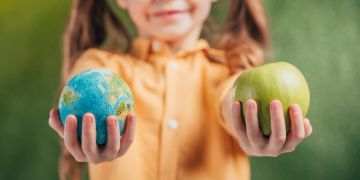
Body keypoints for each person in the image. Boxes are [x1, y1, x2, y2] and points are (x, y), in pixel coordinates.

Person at [48, 0, 313, 179]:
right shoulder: (101, 66)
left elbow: (232, 95)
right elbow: (85, 86)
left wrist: (250, 121)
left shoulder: (229, 72)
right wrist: (86, 126)